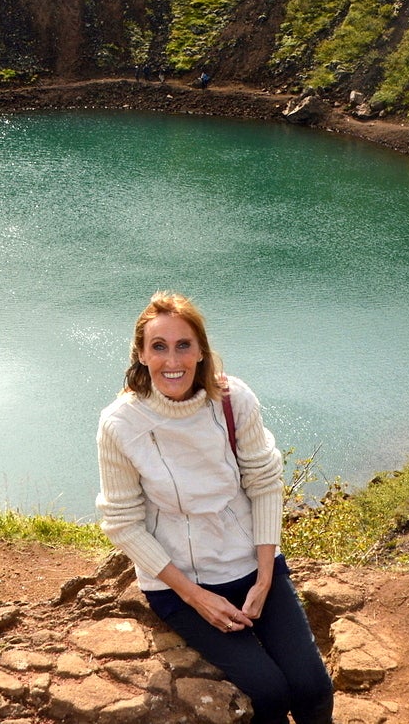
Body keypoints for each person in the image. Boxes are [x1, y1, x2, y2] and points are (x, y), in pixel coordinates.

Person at [97, 292, 333, 724]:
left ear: (201, 350)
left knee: (313, 690)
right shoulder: (120, 424)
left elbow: (263, 482)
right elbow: (124, 524)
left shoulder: (232, 399)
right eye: (160, 346)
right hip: (178, 584)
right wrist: (196, 597)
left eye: (184, 345)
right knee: (268, 692)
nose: (174, 360)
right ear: (141, 355)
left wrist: (265, 577)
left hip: (250, 564)